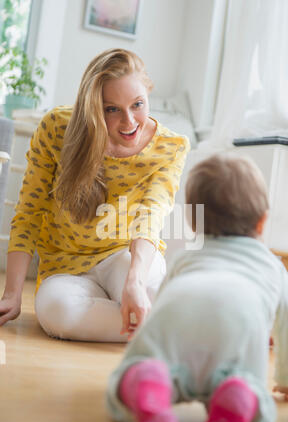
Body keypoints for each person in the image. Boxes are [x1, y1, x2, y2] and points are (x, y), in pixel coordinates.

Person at [106, 154, 288, 422]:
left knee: (148, 366)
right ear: (262, 222)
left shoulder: (185, 258)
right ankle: (238, 397)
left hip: (180, 309)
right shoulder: (274, 268)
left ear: (193, 224)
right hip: (239, 318)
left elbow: (162, 304)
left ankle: (148, 379)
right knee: (249, 393)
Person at [0, 48, 190, 342]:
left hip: (125, 256)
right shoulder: (56, 128)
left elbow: (151, 216)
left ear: (148, 92)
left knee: (151, 292)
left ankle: (155, 318)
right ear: (92, 108)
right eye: (111, 109)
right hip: (65, 269)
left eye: (138, 104)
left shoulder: (171, 147)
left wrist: (134, 283)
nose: (129, 122)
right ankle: (161, 327)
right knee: (57, 312)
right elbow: (29, 212)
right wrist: (12, 295)